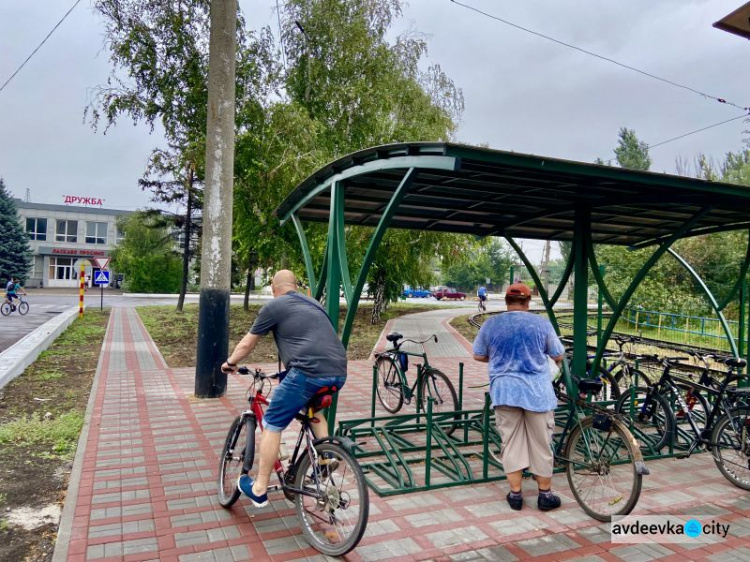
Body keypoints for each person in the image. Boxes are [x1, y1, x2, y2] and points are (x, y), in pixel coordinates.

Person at [221, 269, 348, 507]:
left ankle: (259, 488)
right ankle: (325, 456)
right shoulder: (314, 304)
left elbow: (248, 343)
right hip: (338, 372)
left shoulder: (275, 306)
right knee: (314, 411)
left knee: (272, 423)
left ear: (273, 287)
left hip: (307, 373)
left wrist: (230, 364)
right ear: (296, 286)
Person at [472, 282, 565, 512]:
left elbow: (478, 355)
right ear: (528, 301)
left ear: (506, 301)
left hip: (505, 391)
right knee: (541, 443)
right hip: (537, 393)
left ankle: (515, 495)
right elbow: (558, 354)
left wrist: (499, 360)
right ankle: (545, 495)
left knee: (511, 442)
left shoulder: (491, 324)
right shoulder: (541, 324)